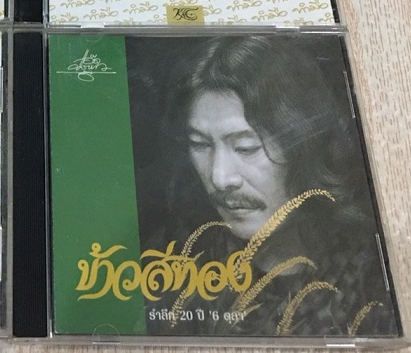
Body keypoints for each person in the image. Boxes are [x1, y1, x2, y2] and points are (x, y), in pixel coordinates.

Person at [141, 36, 398, 336]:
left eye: (246, 147)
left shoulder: (377, 274)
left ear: (304, 147)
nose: (220, 178)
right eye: (200, 144)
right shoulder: (165, 262)